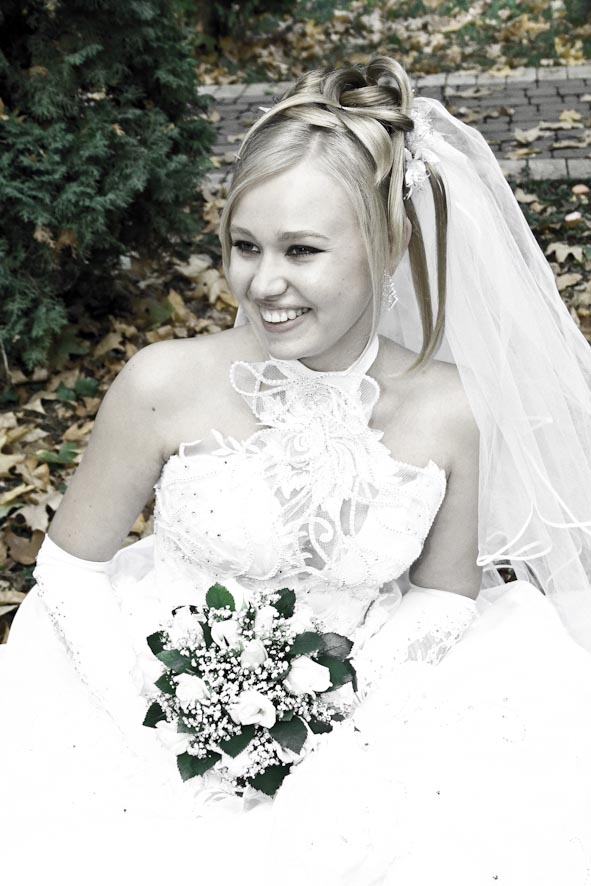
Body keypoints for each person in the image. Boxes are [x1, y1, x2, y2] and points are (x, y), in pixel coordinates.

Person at [2, 56, 591, 885]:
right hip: (152, 690)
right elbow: (70, 568)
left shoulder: (449, 408)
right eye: (245, 246)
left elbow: (444, 595)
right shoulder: (164, 383)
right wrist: (156, 716)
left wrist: (338, 715)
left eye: (302, 250)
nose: (264, 282)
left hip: (369, 704)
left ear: (386, 249)